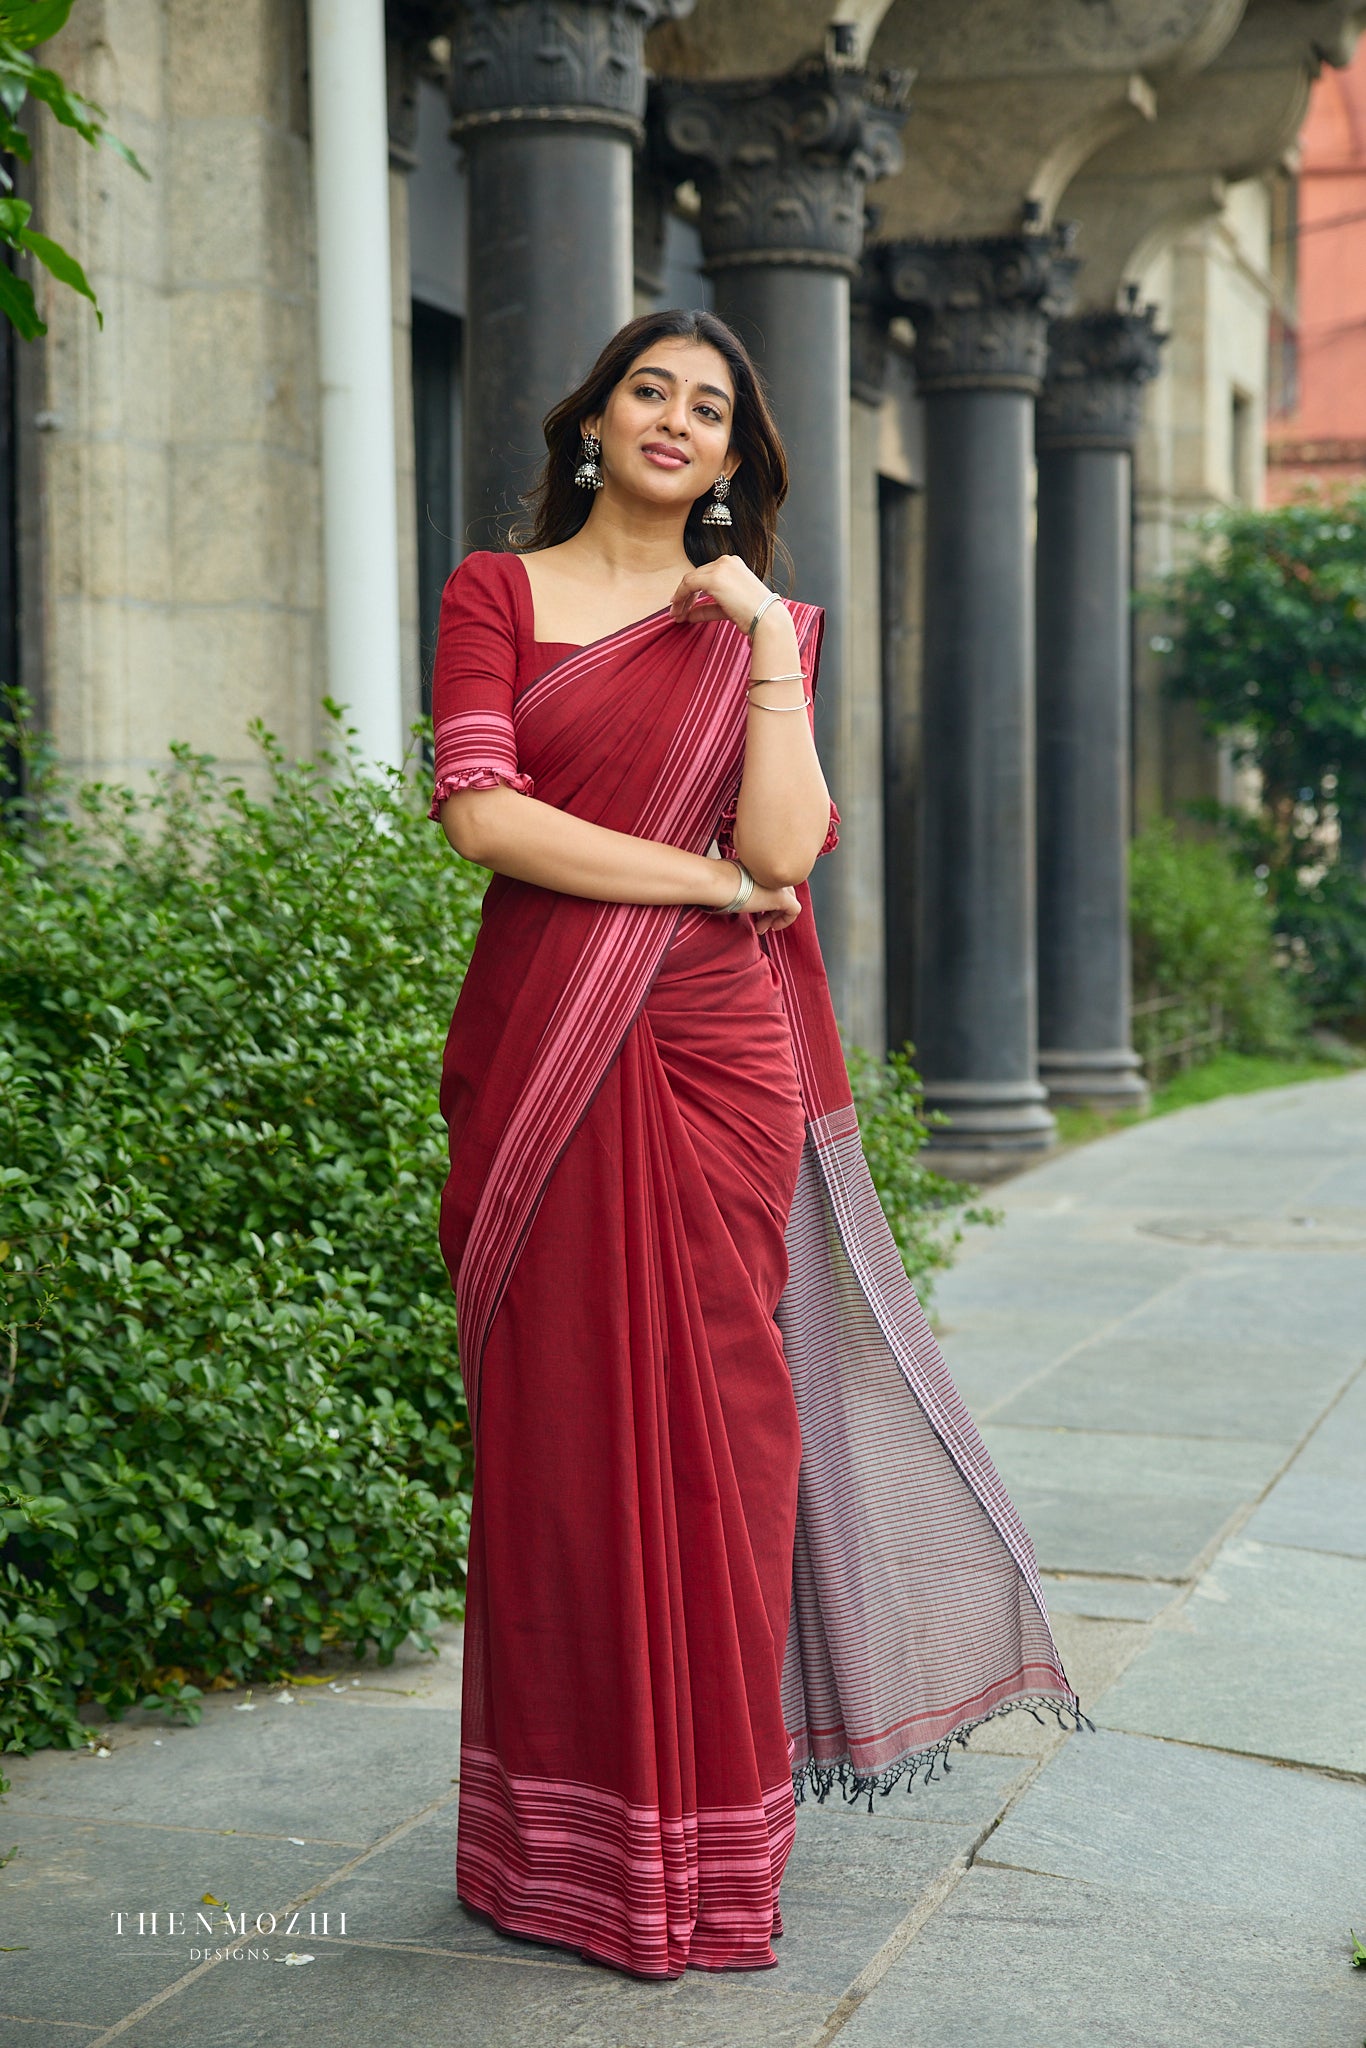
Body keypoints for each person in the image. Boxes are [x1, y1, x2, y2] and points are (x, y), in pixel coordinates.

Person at [429, 308, 1087, 1983]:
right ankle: (556, 1847)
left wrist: (766, 650)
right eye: (646, 388)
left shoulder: (757, 624)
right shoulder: (494, 595)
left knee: (729, 1444)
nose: (672, 418)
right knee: (561, 1436)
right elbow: (483, 818)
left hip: (715, 1064)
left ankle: (708, 1849)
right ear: (593, 421)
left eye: (707, 406)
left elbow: (787, 838)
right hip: (545, 1056)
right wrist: (713, 887)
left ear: (733, 461)